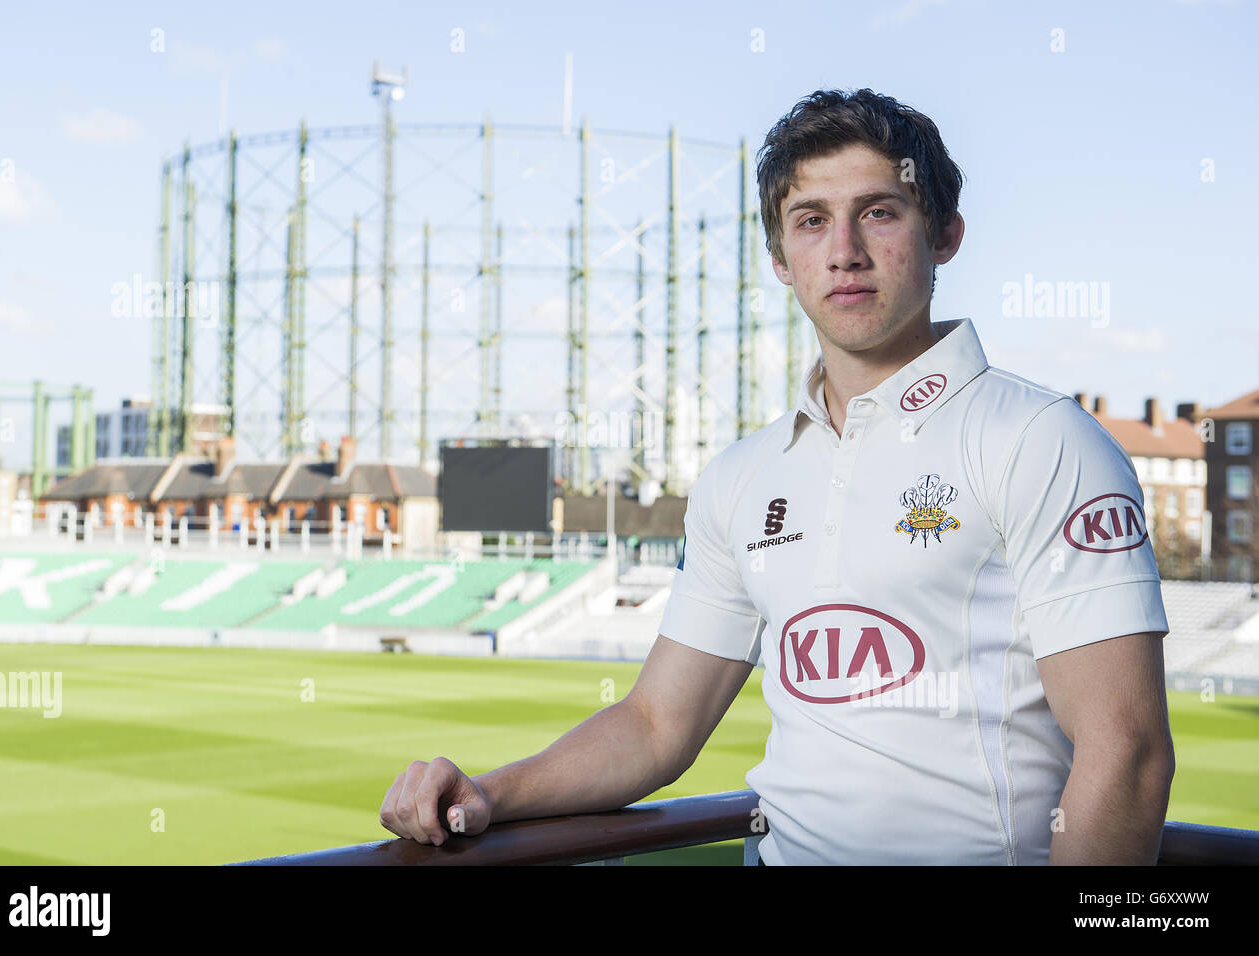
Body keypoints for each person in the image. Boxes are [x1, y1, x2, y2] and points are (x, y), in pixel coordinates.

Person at [378, 88, 1174, 865]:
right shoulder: (741, 476)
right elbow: (657, 724)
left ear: (945, 234)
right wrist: (488, 793)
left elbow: (1127, 751)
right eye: (811, 221)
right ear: (780, 259)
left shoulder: (1041, 439)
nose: (845, 251)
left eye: (880, 211)